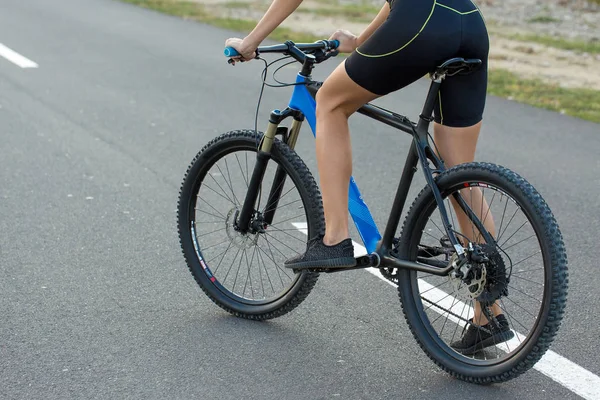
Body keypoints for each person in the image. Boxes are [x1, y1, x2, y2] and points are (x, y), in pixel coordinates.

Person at [225, 0, 512, 353]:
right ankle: (489, 315)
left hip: (422, 20)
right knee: (458, 178)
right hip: (468, 23)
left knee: (330, 101)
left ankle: (334, 239)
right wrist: (361, 39)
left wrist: (251, 40)